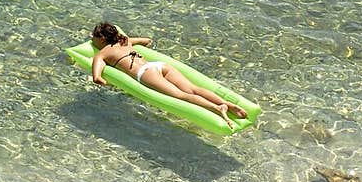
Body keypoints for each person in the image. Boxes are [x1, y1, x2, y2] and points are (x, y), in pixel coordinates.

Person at [90, 21, 248, 129]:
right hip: (158, 65)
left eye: (94, 38)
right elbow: (147, 41)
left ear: (102, 39)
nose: (92, 41)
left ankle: (217, 107)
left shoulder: (102, 54)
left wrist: (108, 82)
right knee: (193, 88)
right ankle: (226, 102)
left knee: (181, 95)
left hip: (145, 73)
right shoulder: (125, 41)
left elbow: (97, 78)